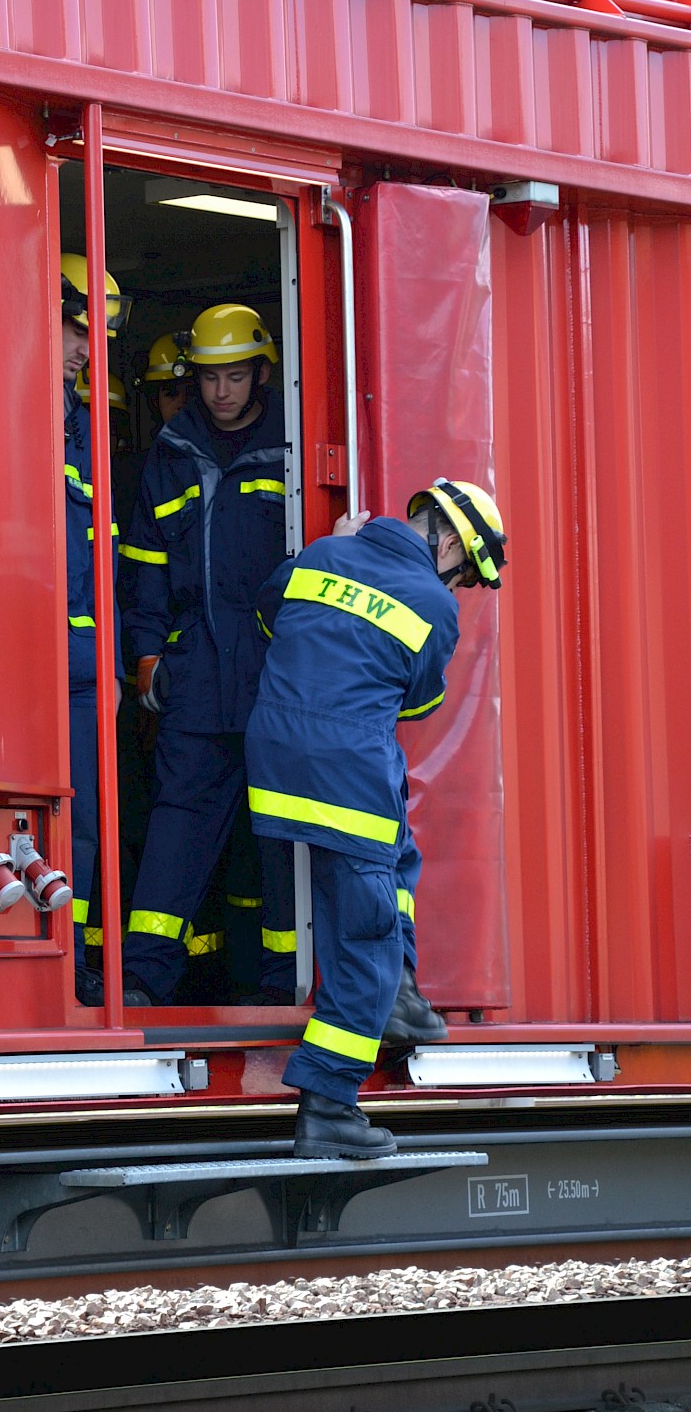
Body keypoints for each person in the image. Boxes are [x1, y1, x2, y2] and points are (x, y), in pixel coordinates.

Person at [246, 479, 507, 1158]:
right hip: (345, 768)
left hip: (274, 762)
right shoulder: (432, 603)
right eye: (464, 571)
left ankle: (402, 992)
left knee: (399, 854)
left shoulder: (326, 553)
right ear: (449, 541)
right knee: (364, 941)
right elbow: (415, 707)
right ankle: (331, 1103)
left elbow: (269, 616)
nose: (460, 585)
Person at [117, 303, 287, 1006]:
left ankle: (283, 987)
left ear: (261, 374)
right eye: (210, 378)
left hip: (276, 682)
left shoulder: (292, 444)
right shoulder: (170, 452)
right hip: (195, 682)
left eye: (235, 376)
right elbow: (144, 570)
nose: (221, 392)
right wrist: (148, 657)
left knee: (279, 845)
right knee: (175, 836)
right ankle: (141, 983)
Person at [59, 253, 145, 1009]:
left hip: (89, 661)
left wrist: (114, 664)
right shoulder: (14, 411)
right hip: (33, 655)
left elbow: (102, 552)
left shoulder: (83, 423)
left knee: (86, 823)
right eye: (77, 330)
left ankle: (74, 965)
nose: (89, 349)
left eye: (97, 336)